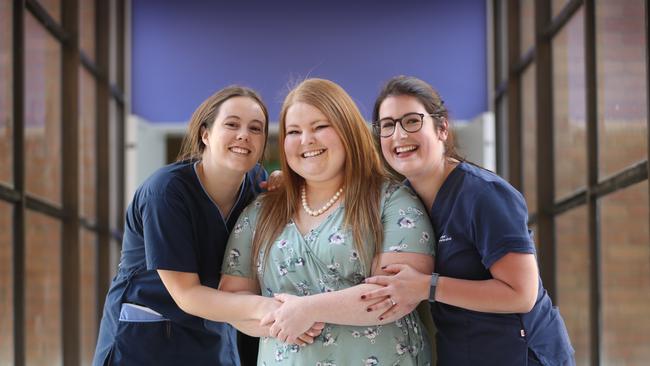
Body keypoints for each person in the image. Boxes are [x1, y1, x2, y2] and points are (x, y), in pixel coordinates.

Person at [361, 75, 575, 365]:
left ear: (442, 128)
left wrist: (427, 286)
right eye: (388, 125)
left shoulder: (484, 195)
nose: (399, 135)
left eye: (412, 121)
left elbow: (522, 294)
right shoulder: (402, 200)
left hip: (520, 354)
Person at [220, 78, 436, 365]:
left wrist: (307, 310)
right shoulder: (261, 211)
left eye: (320, 127)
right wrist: (278, 317)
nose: (306, 140)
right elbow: (232, 296)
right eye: (294, 131)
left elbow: (394, 296)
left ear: (348, 130)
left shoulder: (393, 201)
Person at [92, 86, 313, 366]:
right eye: (232, 124)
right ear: (205, 134)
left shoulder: (258, 184)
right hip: (144, 340)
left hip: (211, 336)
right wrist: (268, 308)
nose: (244, 134)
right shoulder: (166, 192)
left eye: (255, 128)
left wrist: (286, 183)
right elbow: (187, 294)